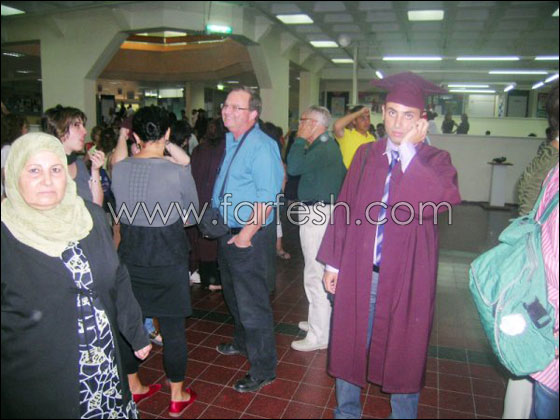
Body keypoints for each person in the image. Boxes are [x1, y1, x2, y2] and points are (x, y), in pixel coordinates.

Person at [318, 72, 461, 419]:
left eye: (408, 115)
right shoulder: (366, 155)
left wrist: (409, 152)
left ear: (422, 120)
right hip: (360, 272)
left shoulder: (435, 160)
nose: (398, 123)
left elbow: (439, 201)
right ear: (382, 112)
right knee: (349, 343)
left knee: (405, 353)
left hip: (408, 279)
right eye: (392, 112)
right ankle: (346, 413)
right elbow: (346, 207)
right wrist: (333, 263)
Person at [1, 133, 151, 418]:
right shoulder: (6, 233)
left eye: (56, 169)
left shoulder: (89, 216)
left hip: (103, 367)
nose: (47, 180)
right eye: (34, 170)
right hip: (39, 382)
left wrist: (136, 331)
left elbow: (117, 275)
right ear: (14, 175)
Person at [111, 106, 199, 417]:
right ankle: (177, 396)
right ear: (168, 133)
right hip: (168, 256)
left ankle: (134, 386)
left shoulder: (119, 169)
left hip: (131, 257)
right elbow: (191, 217)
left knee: (130, 324)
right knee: (173, 329)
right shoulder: (177, 171)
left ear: (135, 135)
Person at [213, 86, 283, 393]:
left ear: (253, 114)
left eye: (236, 107)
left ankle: (264, 369)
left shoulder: (262, 146)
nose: (227, 111)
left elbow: (267, 198)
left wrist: (244, 236)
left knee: (253, 304)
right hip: (228, 232)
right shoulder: (233, 140)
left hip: (248, 236)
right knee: (233, 296)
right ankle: (242, 342)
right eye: (226, 105)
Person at [504, 85, 560, 420]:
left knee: (527, 378)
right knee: (531, 378)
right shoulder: (551, 165)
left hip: (536, 284)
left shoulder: (548, 160)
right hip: (542, 290)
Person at [287, 106, 346, 351]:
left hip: (317, 215)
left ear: (314, 124)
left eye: (303, 121)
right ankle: (319, 321)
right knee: (317, 269)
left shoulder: (323, 148)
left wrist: (299, 140)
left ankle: (319, 335)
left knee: (315, 273)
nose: (299, 125)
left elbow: (293, 167)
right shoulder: (325, 146)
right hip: (320, 212)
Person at [41, 105, 105, 207]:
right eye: (77, 125)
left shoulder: (79, 164)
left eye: (83, 126)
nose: (85, 131)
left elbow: (97, 205)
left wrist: (95, 170)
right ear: (60, 130)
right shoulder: (46, 168)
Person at [190, 117, 227, 291]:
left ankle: (207, 276)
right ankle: (218, 277)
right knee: (219, 238)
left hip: (199, 199)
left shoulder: (198, 150)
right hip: (220, 200)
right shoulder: (227, 150)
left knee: (203, 238)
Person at [1, 113, 29, 197]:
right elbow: (5, 178)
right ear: (17, 130)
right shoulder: (7, 150)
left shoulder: (11, 148)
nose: (27, 131)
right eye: (25, 128)